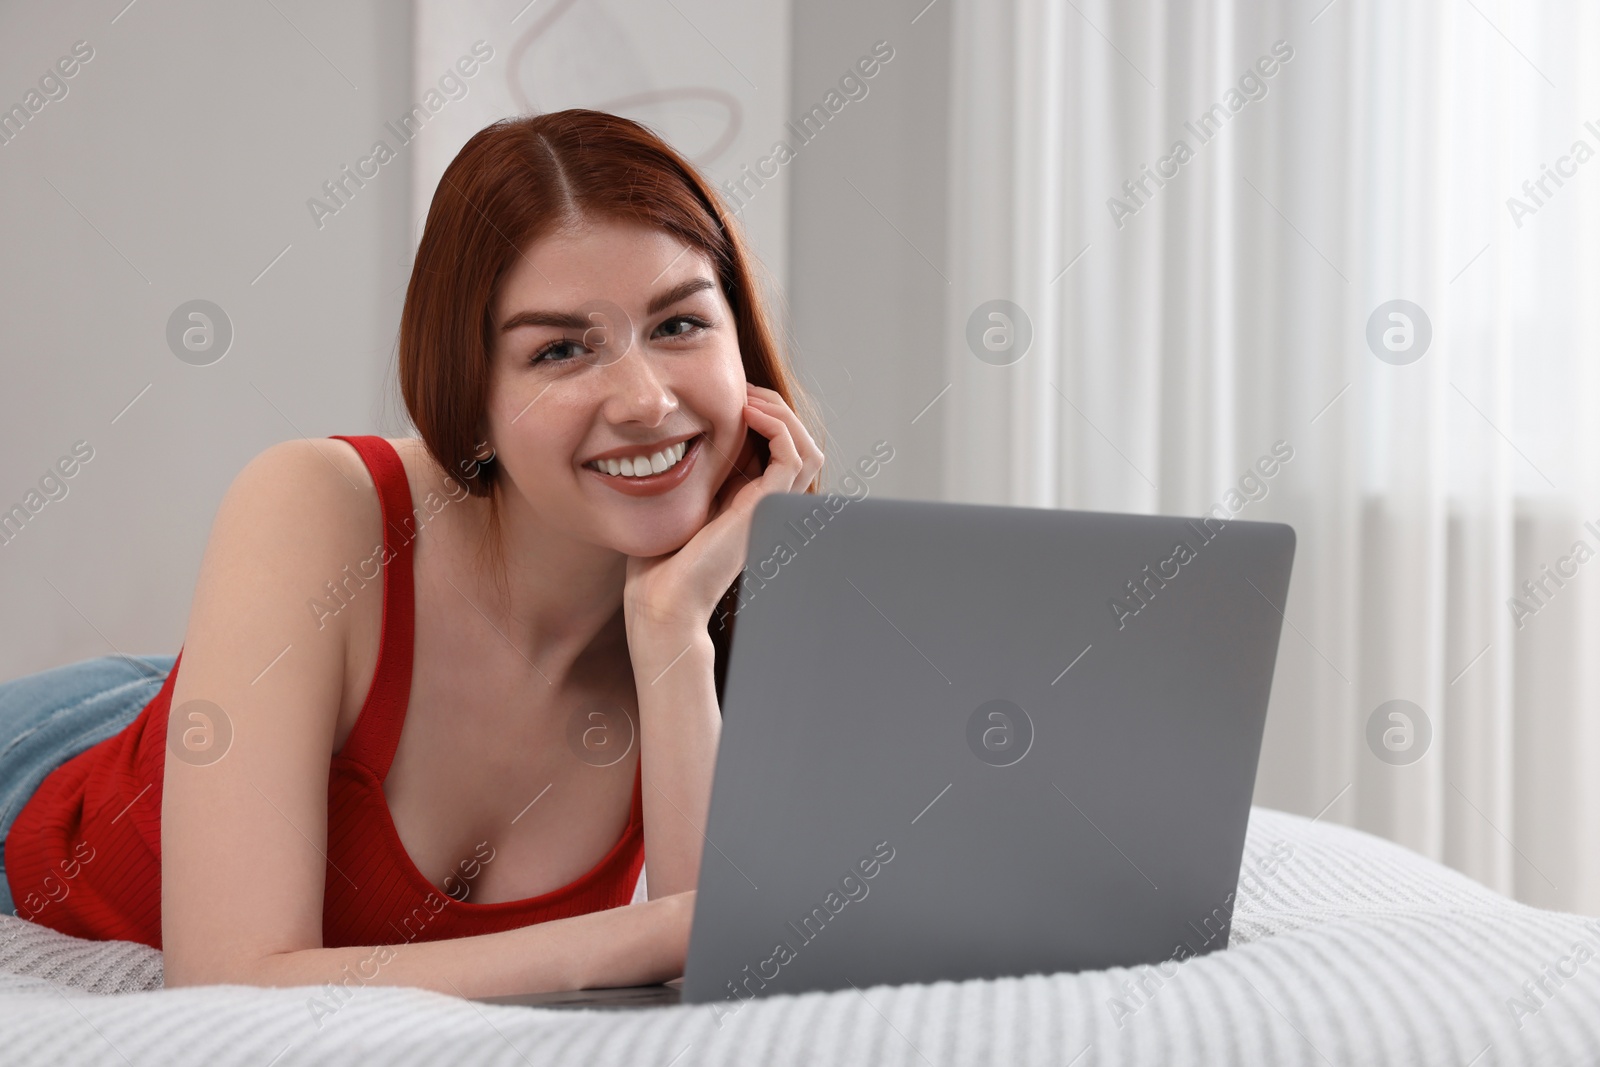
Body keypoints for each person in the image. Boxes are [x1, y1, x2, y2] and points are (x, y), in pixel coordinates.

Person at [0, 109, 824, 998]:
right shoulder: (318, 503)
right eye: (559, 349)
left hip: (275, 688)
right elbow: (226, 978)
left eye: (678, 325)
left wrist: (671, 628)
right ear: (472, 395)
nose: (645, 401)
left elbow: (729, 977)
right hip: (58, 758)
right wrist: (637, 938)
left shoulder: (718, 597)